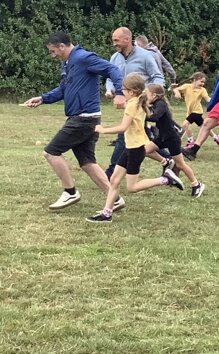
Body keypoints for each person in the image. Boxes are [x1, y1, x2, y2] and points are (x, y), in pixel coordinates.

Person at [22, 32, 126, 211]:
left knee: (51, 152)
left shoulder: (83, 58)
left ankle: (70, 192)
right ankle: (114, 198)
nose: (53, 55)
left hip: (84, 118)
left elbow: (112, 69)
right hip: (85, 118)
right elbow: (64, 88)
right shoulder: (67, 63)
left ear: (62, 46)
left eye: (53, 51)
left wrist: (120, 92)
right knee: (87, 162)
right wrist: (43, 98)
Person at [87, 74, 184, 223]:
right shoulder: (138, 100)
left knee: (132, 187)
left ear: (131, 91)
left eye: (123, 89)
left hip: (136, 149)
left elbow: (123, 127)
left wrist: (102, 129)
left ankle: (165, 179)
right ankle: (107, 213)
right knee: (114, 180)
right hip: (131, 147)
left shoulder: (133, 104)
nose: (121, 91)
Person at [104, 27, 165, 177]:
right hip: (128, 103)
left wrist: (149, 96)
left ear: (127, 39)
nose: (114, 43)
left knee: (125, 135)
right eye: (113, 40)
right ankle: (169, 159)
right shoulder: (114, 58)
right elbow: (110, 77)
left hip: (141, 103)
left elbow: (158, 77)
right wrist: (110, 90)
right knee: (140, 137)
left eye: (116, 40)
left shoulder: (145, 56)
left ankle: (111, 171)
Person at [144, 84, 205, 198]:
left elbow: (155, 117)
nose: (145, 96)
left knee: (180, 164)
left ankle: (196, 184)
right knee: (145, 151)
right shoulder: (155, 103)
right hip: (162, 137)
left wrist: (141, 116)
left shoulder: (160, 104)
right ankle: (166, 162)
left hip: (171, 138)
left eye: (146, 94)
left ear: (154, 95)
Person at [173, 72, 219, 148]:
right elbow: (176, 89)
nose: (202, 84)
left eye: (204, 82)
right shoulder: (186, 86)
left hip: (197, 112)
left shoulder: (202, 90)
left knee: (185, 124)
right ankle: (216, 137)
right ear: (194, 80)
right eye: (201, 81)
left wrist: (216, 102)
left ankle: (190, 141)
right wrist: (176, 92)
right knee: (204, 127)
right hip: (190, 112)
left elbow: (208, 99)